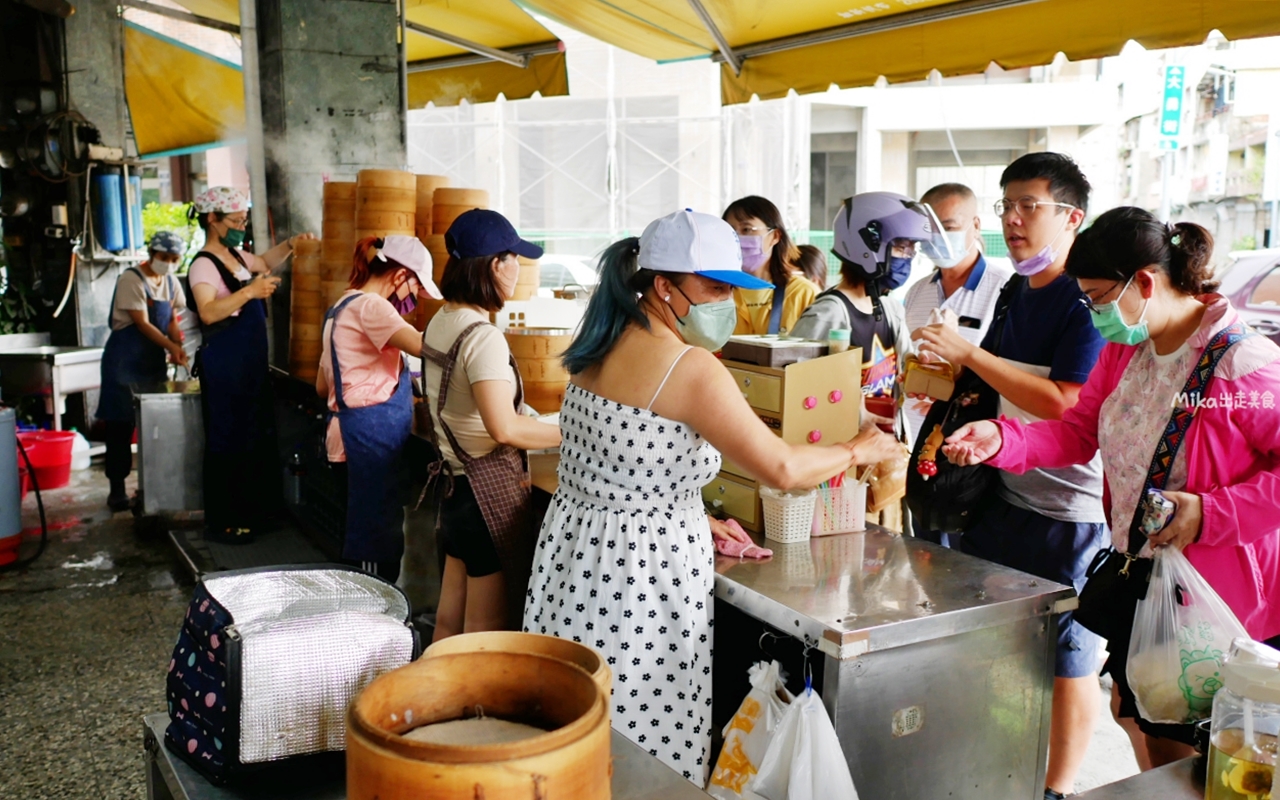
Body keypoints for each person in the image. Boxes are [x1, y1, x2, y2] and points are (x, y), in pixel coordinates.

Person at [522, 209, 902, 784]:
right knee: (640, 748)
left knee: (576, 734)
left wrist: (689, 510)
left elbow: (619, 461)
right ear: (664, 287)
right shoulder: (688, 366)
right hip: (639, 582)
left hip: (574, 565)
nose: (724, 300)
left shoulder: (598, 344)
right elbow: (782, 466)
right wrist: (857, 449)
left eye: (732, 287)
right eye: (714, 287)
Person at [943, 207, 1280, 772]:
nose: (1094, 314)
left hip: (1217, 593)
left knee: (1203, 741)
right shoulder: (1128, 350)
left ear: (1145, 283)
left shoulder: (1239, 365)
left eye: (1098, 297)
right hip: (1145, 574)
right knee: (1139, 713)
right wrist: (1000, 440)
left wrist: (1211, 512)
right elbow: (1078, 433)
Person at [913, 153, 1106, 800]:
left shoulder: (1086, 298)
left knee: (1067, 659)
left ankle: (1057, 788)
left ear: (1070, 216)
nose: (1013, 220)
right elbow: (995, 379)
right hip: (1003, 490)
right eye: (1006, 206)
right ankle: (997, 761)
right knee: (999, 643)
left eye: (1029, 206)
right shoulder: (1020, 288)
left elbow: (1064, 402)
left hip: (1068, 510)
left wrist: (971, 353)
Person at [423, 209, 562, 641]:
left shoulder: (443, 320)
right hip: (486, 498)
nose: (518, 268)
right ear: (493, 265)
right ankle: (473, 710)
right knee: (486, 635)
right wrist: (575, 431)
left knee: (450, 622)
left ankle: (436, 704)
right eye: (513, 258)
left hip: (457, 490)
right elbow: (504, 429)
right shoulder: (482, 336)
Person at [188, 186, 313, 543]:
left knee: (254, 437)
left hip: (249, 365)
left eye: (245, 219)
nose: (242, 225)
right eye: (236, 220)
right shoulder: (203, 265)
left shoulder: (238, 257)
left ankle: (256, 514)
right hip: (224, 366)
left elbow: (263, 262)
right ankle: (226, 521)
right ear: (212, 220)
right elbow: (209, 312)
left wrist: (290, 244)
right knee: (227, 441)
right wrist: (248, 293)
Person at [317, 235, 442, 582]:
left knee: (366, 544)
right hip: (366, 444)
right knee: (374, 556)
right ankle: (373, 627)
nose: (414, 299)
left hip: (346, 439)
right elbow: (424, 347)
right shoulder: (372, 307)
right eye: (416, 288)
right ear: (401, 275)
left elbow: (322, 386)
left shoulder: (339, 307)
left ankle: (366, 624)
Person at [791, 192, 953, 438]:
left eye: (912, 249)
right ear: (867, 245)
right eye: (901, 247)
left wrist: (932, 362)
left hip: (884, 446)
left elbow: (905, 377)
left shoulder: (890, 309)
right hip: (841, 451)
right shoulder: (829, 313)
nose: (908, 258)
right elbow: (794, 389)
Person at [902, 183, 1013, 454]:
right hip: (913, 438)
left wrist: (948, 398)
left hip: (970, 444)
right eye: (930, 230)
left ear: (975, 225)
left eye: (949, 228)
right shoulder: (917, 291)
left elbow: (1008, 375)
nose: (938, 238)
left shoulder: (1004, 289)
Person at [97, 230, 190, 512]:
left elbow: (172, 320)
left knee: (154, 427)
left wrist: (178, 344)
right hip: (123, 363)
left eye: (175, 259)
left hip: (152, 363)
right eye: (164, 257)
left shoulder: (171, 281)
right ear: (152, 254)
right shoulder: (130, 279)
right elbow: (144, 324)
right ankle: (116, 489)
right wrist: (172, 348)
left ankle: (152, 490)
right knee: (120, 426)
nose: (169, 263)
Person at [723, 196, 818, 335]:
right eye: (730, 231)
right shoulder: (716, 292)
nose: (737, 238)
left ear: (775, 236)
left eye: (747, 229)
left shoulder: (803, 293)